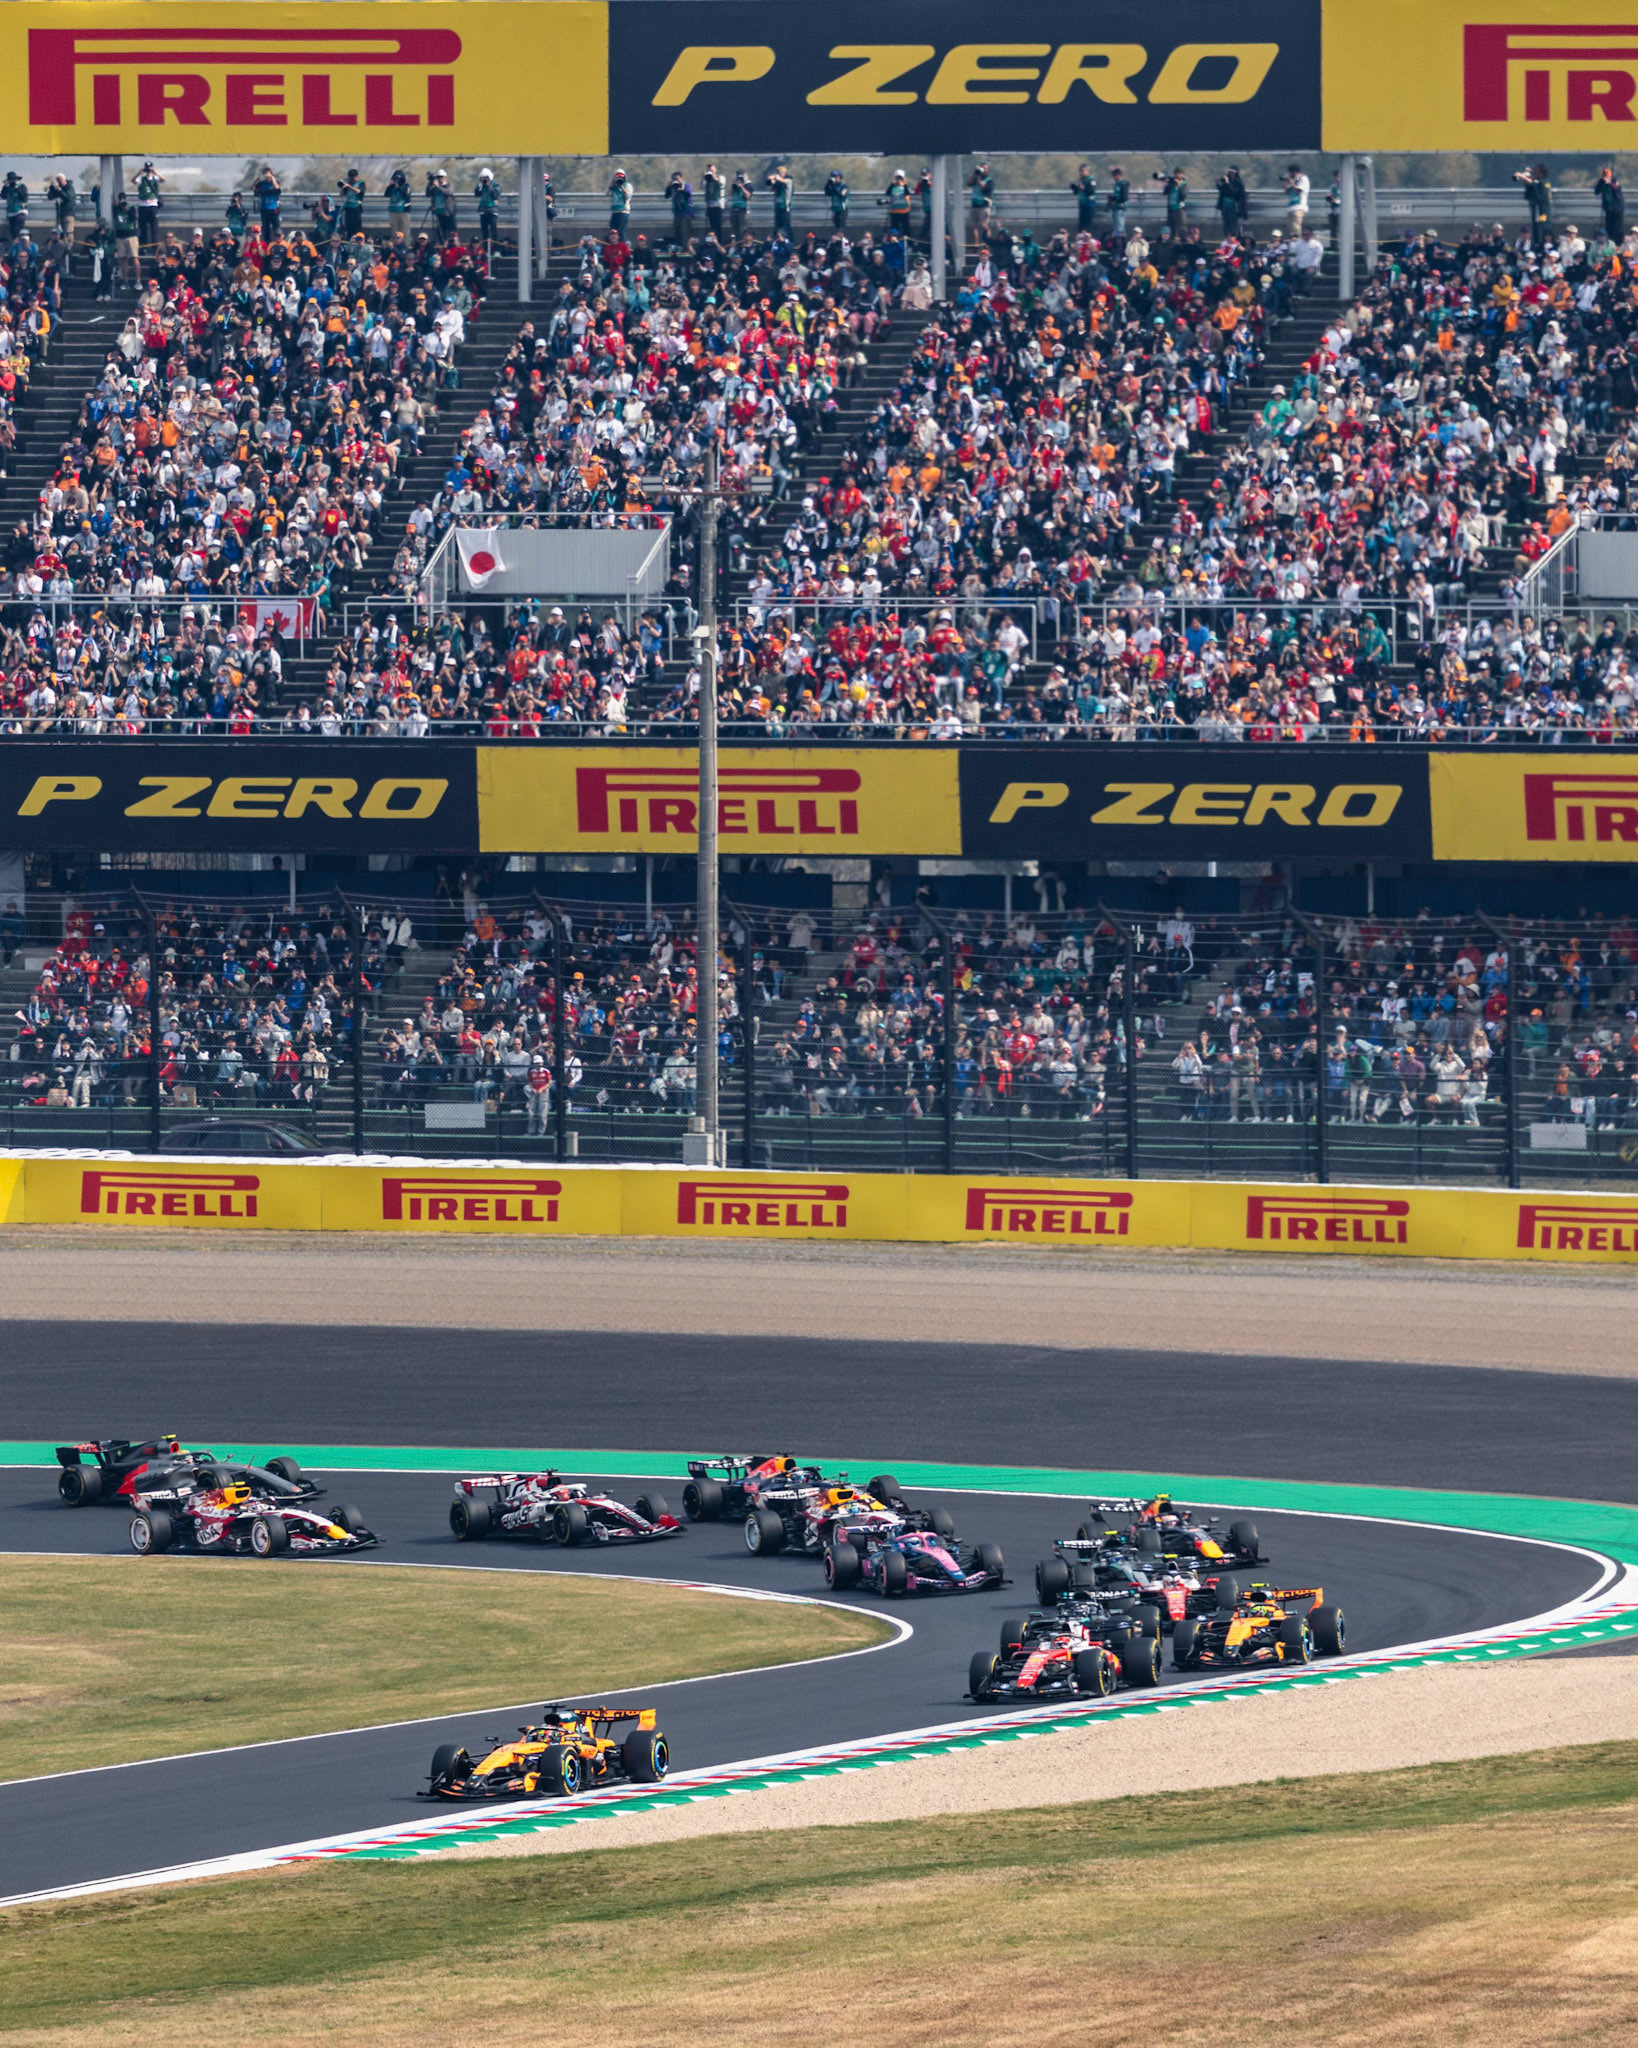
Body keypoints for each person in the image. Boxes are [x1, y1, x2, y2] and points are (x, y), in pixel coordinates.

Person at [1515, 162, 1551, 251]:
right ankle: (1536, 245)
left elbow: (1539, 190)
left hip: (1543, 213)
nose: (1536, 173)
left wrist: (1523, 177)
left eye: (1537, 171)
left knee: (1542, 227)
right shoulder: (1535, 181)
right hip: (1535, 211)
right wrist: (1527, 179)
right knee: (1535, 228)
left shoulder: (1546, 182)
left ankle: (1543, 245)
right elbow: (1529, 193)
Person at [475, 166, 500, 258]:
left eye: (486, 178)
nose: (484, 180)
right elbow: (477, 194)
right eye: (482, 178)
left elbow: (496, 195)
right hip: (483, 211)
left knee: (494, 232)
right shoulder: (481, 185)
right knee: (484, 232)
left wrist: (489, 186)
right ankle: (486, 251)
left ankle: (496, 250)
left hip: (492, 211)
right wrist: (479, 187)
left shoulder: (495, 184)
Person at [1596, 163, 1625, 241]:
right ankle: (1610, 241)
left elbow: (1616, 188)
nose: (1606, 177)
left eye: (1607, 176)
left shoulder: (1614, 180)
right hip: (1609, 210)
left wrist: (1609, 183)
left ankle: (1618, 243)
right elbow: (1596, 191)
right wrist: (1601, 183)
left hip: (1617, 209)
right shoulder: (1602, 182)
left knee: (1617, 228)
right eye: (1604, 176)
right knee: (1609, 228)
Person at [665, 169, 693, 247]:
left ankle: (688, 247)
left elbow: (688, 195)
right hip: (677, 212)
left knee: (686, 230)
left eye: (677, 178)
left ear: (681, 178)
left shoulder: (686, 185)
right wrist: (668, 187)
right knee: (677, 230)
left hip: (686, 211)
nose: (676, 180)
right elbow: (666, 196)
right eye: (674, 179)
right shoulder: (673, 187)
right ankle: (679, 246)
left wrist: (681, 190)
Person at [253, 164, 281, 238]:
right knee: (266, 228)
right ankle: (267, 241)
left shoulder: (275, 182)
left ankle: (278, 240)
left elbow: (277, 188)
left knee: (276, 227)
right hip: (264, 209)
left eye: (268, 173)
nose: (266, 175)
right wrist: (256, 181)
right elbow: (252, 188)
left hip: (273, 209)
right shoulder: (262, 183)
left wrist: (272, 178)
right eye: (265, 174)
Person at [766, 162, 793, 237]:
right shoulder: (778, 182)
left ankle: (789, 240)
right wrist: (772, 182)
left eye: (779, 172)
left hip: (785, 208)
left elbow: (783, 181)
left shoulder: (788, 180)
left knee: (786, 227)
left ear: (783, 173)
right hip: (777, 207)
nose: (778, 174)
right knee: (777, 227)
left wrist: (774, 177)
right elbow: (771, 189)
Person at [338, 165, 365, 239]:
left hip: (356, 207)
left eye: (352, 177)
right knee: (348, 226)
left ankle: (359, 239)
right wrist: (343, 187)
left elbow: (359, 191)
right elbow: (342, 194)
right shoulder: (349, 183)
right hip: (348, 207)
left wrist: (349, 186)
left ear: (356, 176)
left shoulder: (361, 183)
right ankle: (349, 239)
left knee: (357, 226)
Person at [969, 162, 994, 237]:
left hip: (984, 206)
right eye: (982, 168)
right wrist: (974, 174)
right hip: (974, 205)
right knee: (973, 226)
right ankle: (976, 243)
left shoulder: (989, 180)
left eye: (985, 168)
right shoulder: (976, 177)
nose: (984, 170)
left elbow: (983, 188)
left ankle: (987, 242)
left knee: (985, 226)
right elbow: (969, 183)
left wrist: (978, 179)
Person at [1283, 162, 1310, 234]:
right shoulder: (1293, 180)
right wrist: (1286, 182)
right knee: (1290, 229)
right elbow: (1286, 192)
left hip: (1299, 207)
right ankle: (1293, 240)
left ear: (1295, 172)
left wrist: (1292, 183)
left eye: (1291, 172)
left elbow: (1298, 191)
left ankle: (1298, 240)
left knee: (1296, 228)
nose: (1290, 174)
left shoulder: (1303, 179)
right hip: (1291, 207)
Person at [385, 166, 412, 236]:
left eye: (398, 179)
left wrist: (398, 187)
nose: (396, 181)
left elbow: (406, 195)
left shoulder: (406, 186)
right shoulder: (391, 187)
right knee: (394, 231)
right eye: (395, 179)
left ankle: (405, 242)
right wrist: (390, 185)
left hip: (403, 211)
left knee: (404, 230)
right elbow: (386, 194)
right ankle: (394, 242)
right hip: (393, 211)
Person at [883, 168, 909, 237]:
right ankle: (895, 240)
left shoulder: (904, 186)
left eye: (900, 178)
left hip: (904, 211)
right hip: (894, 211)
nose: (898, 179)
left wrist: (904, 184)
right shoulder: (893, 186)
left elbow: (907, 193)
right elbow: (887, 193)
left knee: (906, 229)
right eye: (897, 177)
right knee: (894, 229)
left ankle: (907, 242)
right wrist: (892, 184)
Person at [1072, 163, 1097, 234]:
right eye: (1080, 171)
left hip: (1089, 205)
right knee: (1081, 225)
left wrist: (1083, 188)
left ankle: (1087, 237)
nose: (1081, 172)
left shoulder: (1091, 180)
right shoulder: (1080, 180)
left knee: (1088, 225)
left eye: (1083, 170)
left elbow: (1091, 191)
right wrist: (1074, 188)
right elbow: (1076, 192)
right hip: (1082, 205)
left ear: (1088, 171)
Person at [607, 166, 632, 235]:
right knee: (613, 232)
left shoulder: (627, 185)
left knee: (621, 232)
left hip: (623, 211)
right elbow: (606, 193)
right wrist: (612, 184)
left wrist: (621, 186)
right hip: (615, 211)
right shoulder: (613, 186)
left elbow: (628, 196)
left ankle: (622, 242)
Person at [703, 162, 725, 238]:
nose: (710, 172)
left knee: (718, 225)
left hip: (718, 205)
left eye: (712, 170)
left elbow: (722, 183)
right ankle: (712, 240)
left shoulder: (720, 177)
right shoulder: (707, 181)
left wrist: (714, 177)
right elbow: (703, 188)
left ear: (715, 170)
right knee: (711, 226)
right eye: (709, 170)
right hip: (710, 206)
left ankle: (719, 241)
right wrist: (705, 177)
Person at [825, 168, 850, 232]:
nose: (834, 178)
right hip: (835, 209)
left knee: (841, 228)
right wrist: (828, 185)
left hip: (842, 209)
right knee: (836, 228)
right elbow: (827, 193)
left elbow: (841, 195)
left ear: (840, 177)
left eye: (836, 176)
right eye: (833, 177)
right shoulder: (833, 186)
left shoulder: (844, 186)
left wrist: (833, 187)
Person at [1107, 164, 1129, 236]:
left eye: (1115, 176)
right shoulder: (1116, 184)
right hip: (1115, 208)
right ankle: (1116, 239)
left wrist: (1116, 201)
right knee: (1116, 227)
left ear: (1119, 175)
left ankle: (1122, 239)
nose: (1114, 178)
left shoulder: (1124, 183)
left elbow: (1125, 197)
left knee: (1120, 226)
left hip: (1120, 208)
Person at [729, 170, 752, 239]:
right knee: (734, 230)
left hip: (742, 210)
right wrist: (733, 184)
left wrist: (742, 187)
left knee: (741, 230)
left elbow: (748, 195)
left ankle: (742, 242)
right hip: (734, 209)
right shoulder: (734, 186)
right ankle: (736, 242)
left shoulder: (747, 186)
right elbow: (730, 194)